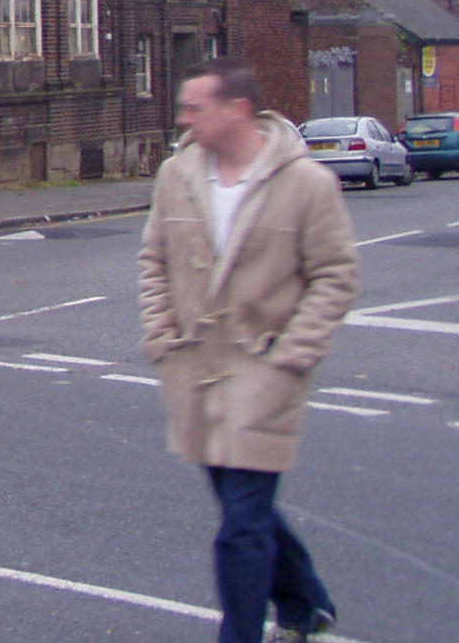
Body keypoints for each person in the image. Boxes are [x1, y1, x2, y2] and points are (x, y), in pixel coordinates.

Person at [138, 58, 359, 643]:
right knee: (246, 510)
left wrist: (293, 353)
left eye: (194, 106)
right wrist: (162, 335)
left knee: (240, 524)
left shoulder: (307, 184)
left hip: (267, 372)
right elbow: (153, 260)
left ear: (237, 109)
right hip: (196, 372)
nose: (183, 117)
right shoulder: (176, 175)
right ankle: (305, 602)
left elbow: (335, 275)